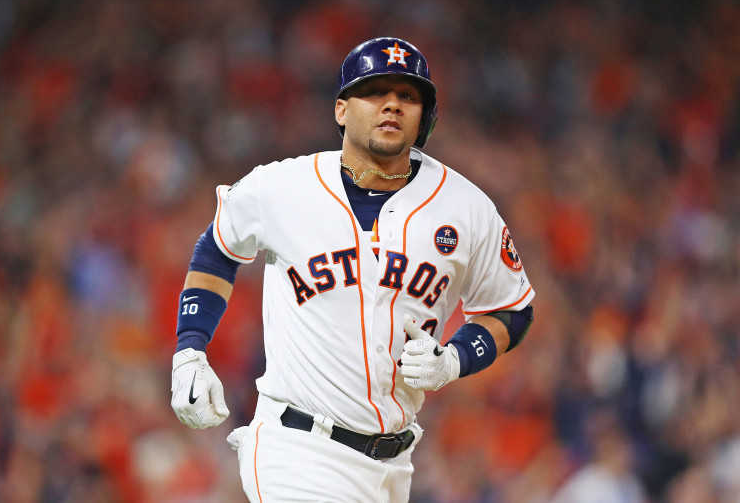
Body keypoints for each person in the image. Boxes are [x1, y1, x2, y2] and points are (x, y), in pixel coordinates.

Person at [170, 36, 535, 502]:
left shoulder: (466, 208)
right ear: (341, 109)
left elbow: (512, 310)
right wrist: (190, 350)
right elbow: (217, 249)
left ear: (425, 116)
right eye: (375, 91)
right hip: (298, 449)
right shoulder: (281, 187)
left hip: (394, 466)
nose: (392, 105)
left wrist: (456, 359)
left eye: (408, 96)